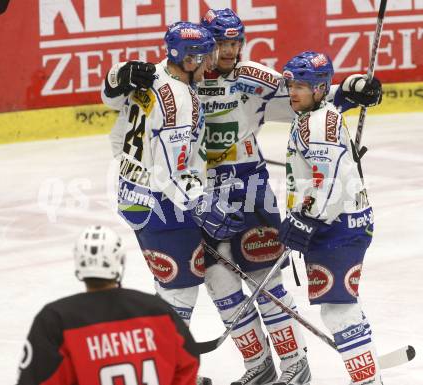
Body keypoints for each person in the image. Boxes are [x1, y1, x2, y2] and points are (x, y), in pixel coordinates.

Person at [198, 8, 383, 385]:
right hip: (201, 191)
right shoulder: (185, 80)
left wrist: (345, 92)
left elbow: (299, 96)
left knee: (265, 279)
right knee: (218, 281)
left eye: (235, 42)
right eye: (221, 43)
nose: (230, 51)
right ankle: (258, 365)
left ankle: (294, 365)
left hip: (250, 187)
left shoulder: (254, 76)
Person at [101, 21, 245, 385]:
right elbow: (171, 174)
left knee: (170, 282)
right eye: (206, 53)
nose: (212, 59)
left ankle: (166, 367)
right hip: (161, 203)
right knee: (178, 287)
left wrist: (117, 74)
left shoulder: (150, 76)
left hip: (132, 193)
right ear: (191, 57)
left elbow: (118, 135)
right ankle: (165, 374)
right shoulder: (181, 99)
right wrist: (202, 204)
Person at [278, 51, 383, 385]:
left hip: (337, 226)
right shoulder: (320, 112)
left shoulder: (318, 123)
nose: (293, 92)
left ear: (320, 89)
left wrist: (305, 219)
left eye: (303, 86)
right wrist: (350, 89)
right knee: (342, 304)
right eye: (292, 84)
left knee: (338, 309)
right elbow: (334, 108)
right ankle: (368, 370)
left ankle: (367, 380)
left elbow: (329, 186)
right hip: (341, 223)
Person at [16, 225, 200, 385]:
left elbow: (36, 379)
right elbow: (189, 360)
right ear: (119, 262)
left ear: (79, 264)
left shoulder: (56, 319)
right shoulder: (157, 310)